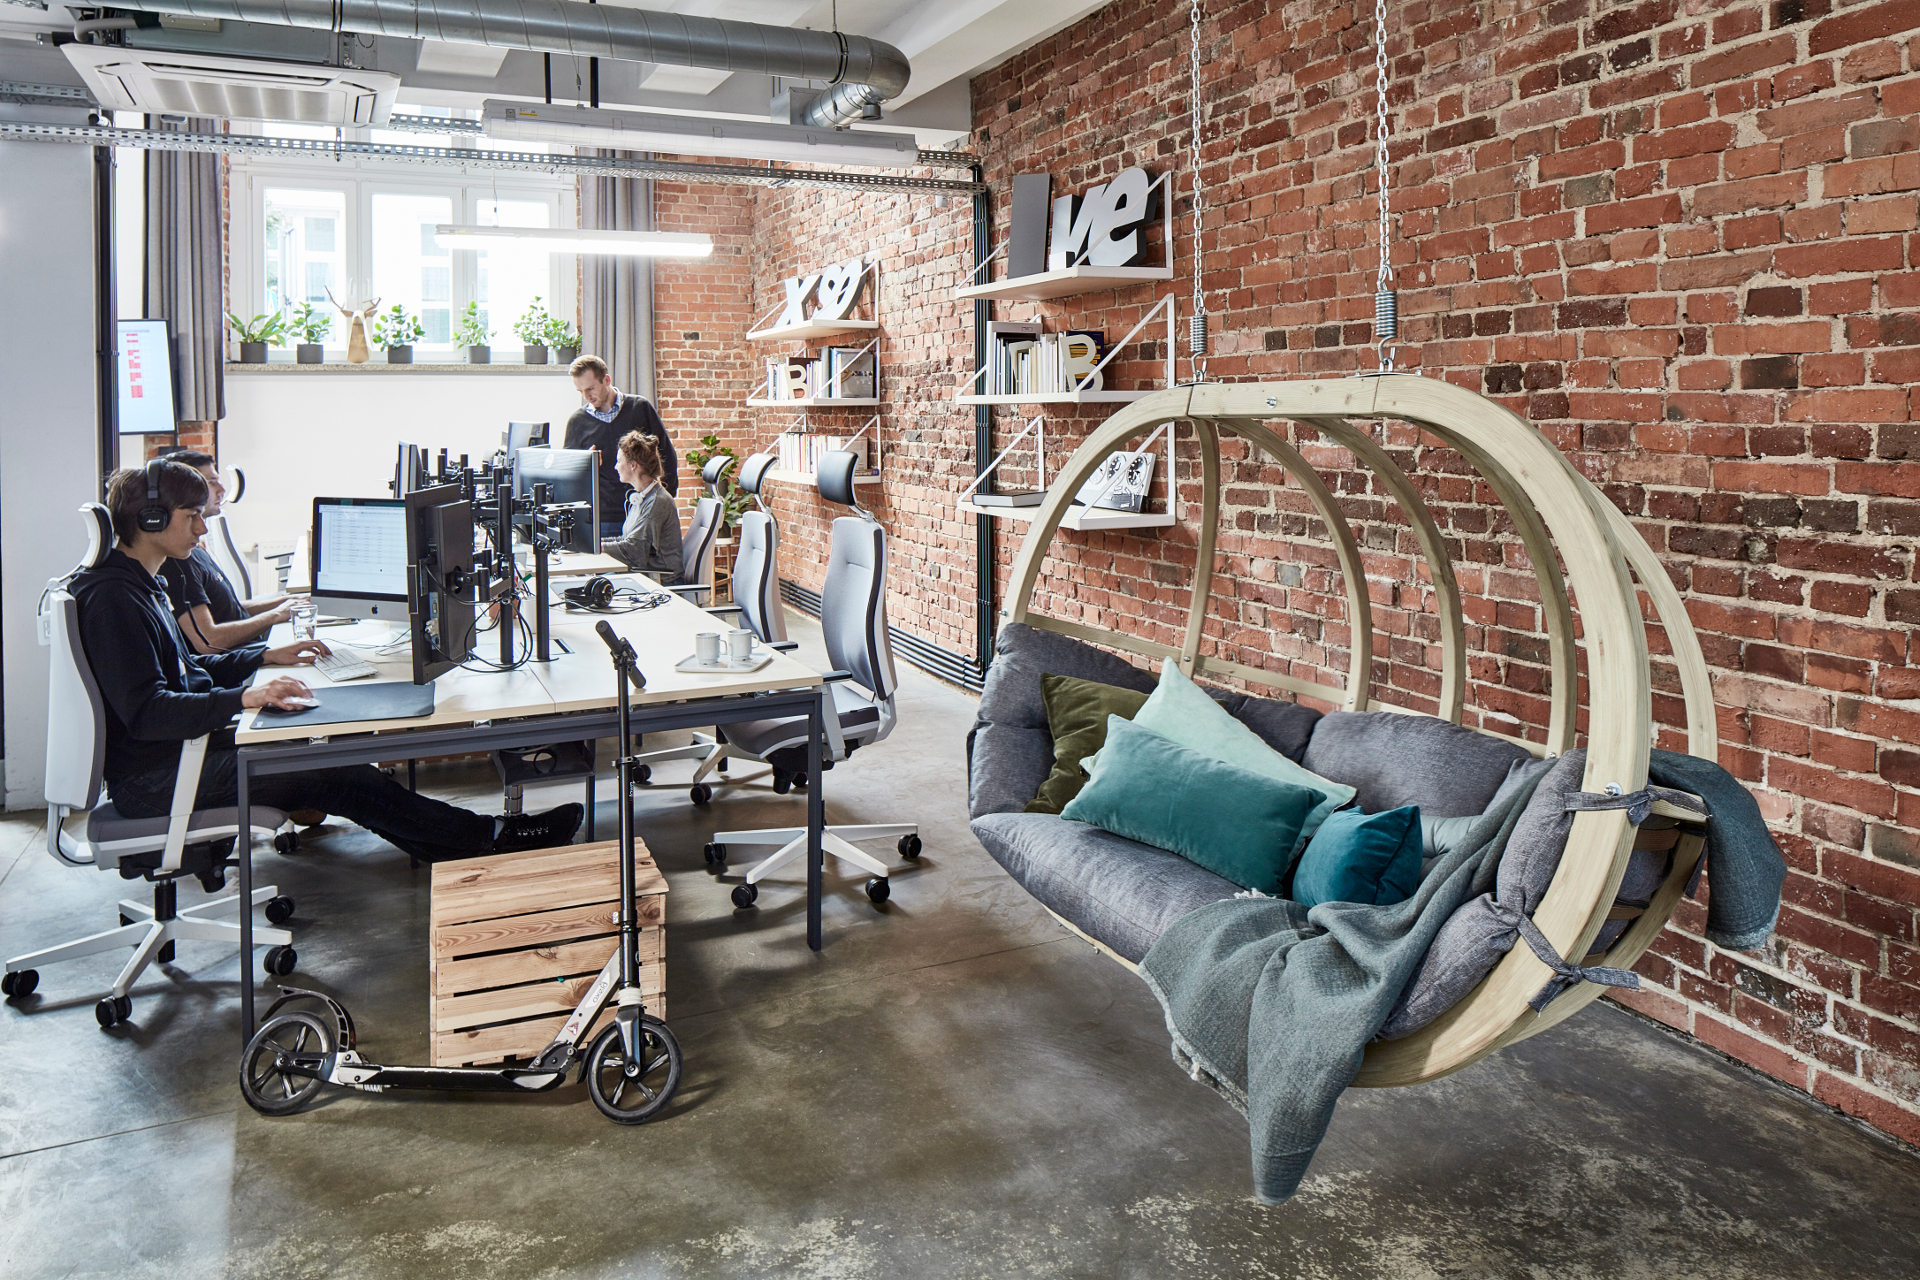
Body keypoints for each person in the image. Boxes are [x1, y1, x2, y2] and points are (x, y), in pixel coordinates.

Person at [73, 461, 582, 863]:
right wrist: (246, 696)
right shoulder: (114, 601)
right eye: (193, 517)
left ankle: (461, 846)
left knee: (332, 755)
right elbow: (147, 711)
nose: (203, 529)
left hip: (181, 753)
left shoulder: (141, 582)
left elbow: (188, 667)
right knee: (331, 772)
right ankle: (493, 837)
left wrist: (266, 655)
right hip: (157, 778)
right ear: (152, 521)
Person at [151, 448, 294, 655]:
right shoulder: (177, 558)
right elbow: (209, 640)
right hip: (237, 663)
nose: (221, 489)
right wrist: (276, 615)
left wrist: (284, 603)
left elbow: (227, 610)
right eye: (210, 482)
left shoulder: (194, 548)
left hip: (248, 652)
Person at [564, 354, 678, 542]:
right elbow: (568, 477)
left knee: (643, 570)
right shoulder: (577, 421)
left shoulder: (639, 408)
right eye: (581, 391)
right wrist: (585, 464)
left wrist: (664, 502)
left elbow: (666, 455)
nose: (587, 396)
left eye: (591, 388)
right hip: (602, 519)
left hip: (643, 512)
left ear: (606, 380)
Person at [603, 431, 684, 582]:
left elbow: (635, 552)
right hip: (646, 574)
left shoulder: (656, 502)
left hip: (662, 582)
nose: (615, 467)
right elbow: (626, 540)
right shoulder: (642, 497)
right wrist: (594, 544)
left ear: (633, 465)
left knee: (596, 587)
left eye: (619, 461)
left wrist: (596, 549)